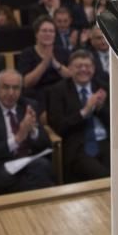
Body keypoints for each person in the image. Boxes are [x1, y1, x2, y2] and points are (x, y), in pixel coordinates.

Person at [0, 69, 54, 195]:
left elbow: (46, 143)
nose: (11, 93)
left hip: (29, 160)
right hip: (2, 163)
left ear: (21, 90)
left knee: (42, 166)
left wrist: (33, 130)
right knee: (36, 177)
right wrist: (18, 138)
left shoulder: (29, 105)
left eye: (16, 88)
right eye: (6, 87)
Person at [46, 50, 109, 182]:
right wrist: (84, 111)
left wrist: (100, 108)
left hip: (106, 142)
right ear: (69, 68)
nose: (83, 70)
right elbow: (59, 126)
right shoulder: (58, 91)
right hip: (78, 146)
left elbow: (116, 122)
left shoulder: (103, 87)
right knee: (104, 177)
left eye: (87, 66)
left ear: (94, 68)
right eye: (78, 66)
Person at [16, 16, 71, 111]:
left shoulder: (63, 52)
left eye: (51, 31)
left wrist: (55, 63)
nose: (48, 34)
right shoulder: (27, 53)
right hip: (37, 94)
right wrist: (44, 63)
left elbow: (72, 77)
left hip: (61, 93)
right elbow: (26, 83)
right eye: (44, 31)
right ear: (36, 34)